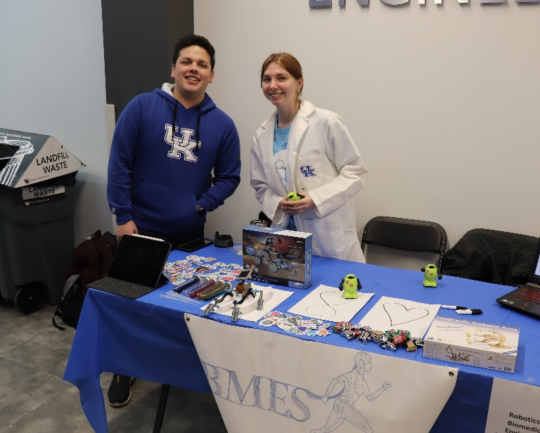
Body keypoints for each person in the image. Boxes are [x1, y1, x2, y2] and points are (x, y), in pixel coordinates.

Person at [106, 34, 241, 407]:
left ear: (212, 75)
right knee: (130, 305)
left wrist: (200, 206)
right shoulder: (141, 107)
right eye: (186, 62)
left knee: (185, 306)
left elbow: (230, 176)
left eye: (201, 64)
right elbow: (119, 164)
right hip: (139, 227)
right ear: (173, 68)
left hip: (189, 231)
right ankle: (122, 368)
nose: (193, 69)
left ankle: (178, 367)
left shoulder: (222, 125)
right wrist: (122, 215)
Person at [250, 53, 368, 263]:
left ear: (299, 83)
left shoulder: (326, 122)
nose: (273, 85)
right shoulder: (262, 135)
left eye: (281, 78)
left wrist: (316, 199)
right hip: (287, 241)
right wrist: (278, 203)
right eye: (267, 79)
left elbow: (355, 172)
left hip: (329, 241)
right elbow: (260, 186)